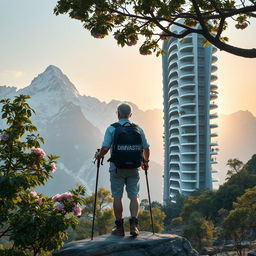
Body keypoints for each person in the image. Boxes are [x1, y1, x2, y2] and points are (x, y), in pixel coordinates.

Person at [96, 103, 150, 236]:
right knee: (133, 196)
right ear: (130, 115)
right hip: (134, 167)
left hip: (116, 168)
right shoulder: (138, 129)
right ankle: (134, 226)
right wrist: (145, 162)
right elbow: (146, 148)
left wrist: (99, 155)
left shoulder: (112, 129)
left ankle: (119, 228)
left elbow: (105, 148)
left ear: (118, 113)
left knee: (117, 196)